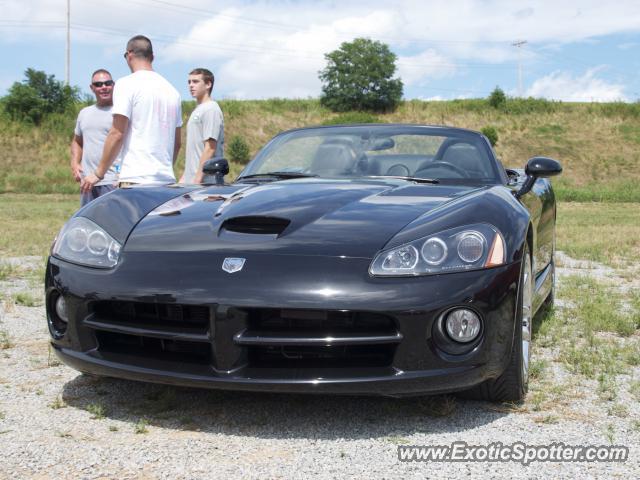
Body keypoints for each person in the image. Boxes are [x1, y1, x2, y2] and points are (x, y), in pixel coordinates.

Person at [81, 35, 182, 192]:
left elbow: (117, 133)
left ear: (129, 55)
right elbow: (177, 143)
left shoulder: (126, 84)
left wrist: (98, 173)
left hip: (136, 181)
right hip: (166, 182)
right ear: (152, 57)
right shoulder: (172, 91)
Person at [71, 69, 118, 205]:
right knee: (89, 225)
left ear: (113, 85)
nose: (103, 87)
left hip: (112, 182)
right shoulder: (84, 113)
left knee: (112, 224)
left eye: (107, 83)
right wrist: (75, 162)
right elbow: (77, 141)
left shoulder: (121, 112)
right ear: (92, 88)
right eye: (98, 84)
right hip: (88, 183)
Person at [180, 68, 224, 184]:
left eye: (195, 81)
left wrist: (197, 180)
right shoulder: (198, 110)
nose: (191, 85)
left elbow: (210, 148)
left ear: (208, 84)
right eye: (189, 82)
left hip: (206, 184)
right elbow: (194, 154)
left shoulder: (211, 109)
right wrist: (183, 179)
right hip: (193, 183)